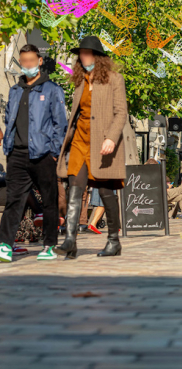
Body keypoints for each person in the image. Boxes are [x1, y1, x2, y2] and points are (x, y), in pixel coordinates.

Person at [55, 36, 127, 259]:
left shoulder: (114, 79)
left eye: (88, 53)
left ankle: (114, 241)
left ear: (98, 56)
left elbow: (121, 112)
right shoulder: (80, 80)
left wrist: (111, 139)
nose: (83, 57)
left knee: (106, 192)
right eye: (81, 54)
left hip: (103, 143)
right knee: (74, 188)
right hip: (79, 140)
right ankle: (70, 239)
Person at [0, 44, 67, 263]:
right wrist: (8, 146)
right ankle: (5, 245)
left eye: (31, 60)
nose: (27, 65)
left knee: (49, 200)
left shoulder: (52, 90)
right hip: (17, 154)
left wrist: (54, 151)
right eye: (24, 61)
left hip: (43, 154)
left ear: (39, 61)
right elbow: (10, 118)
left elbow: (60, 124)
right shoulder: (15, 90)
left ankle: (49, 245)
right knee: (14, 200)